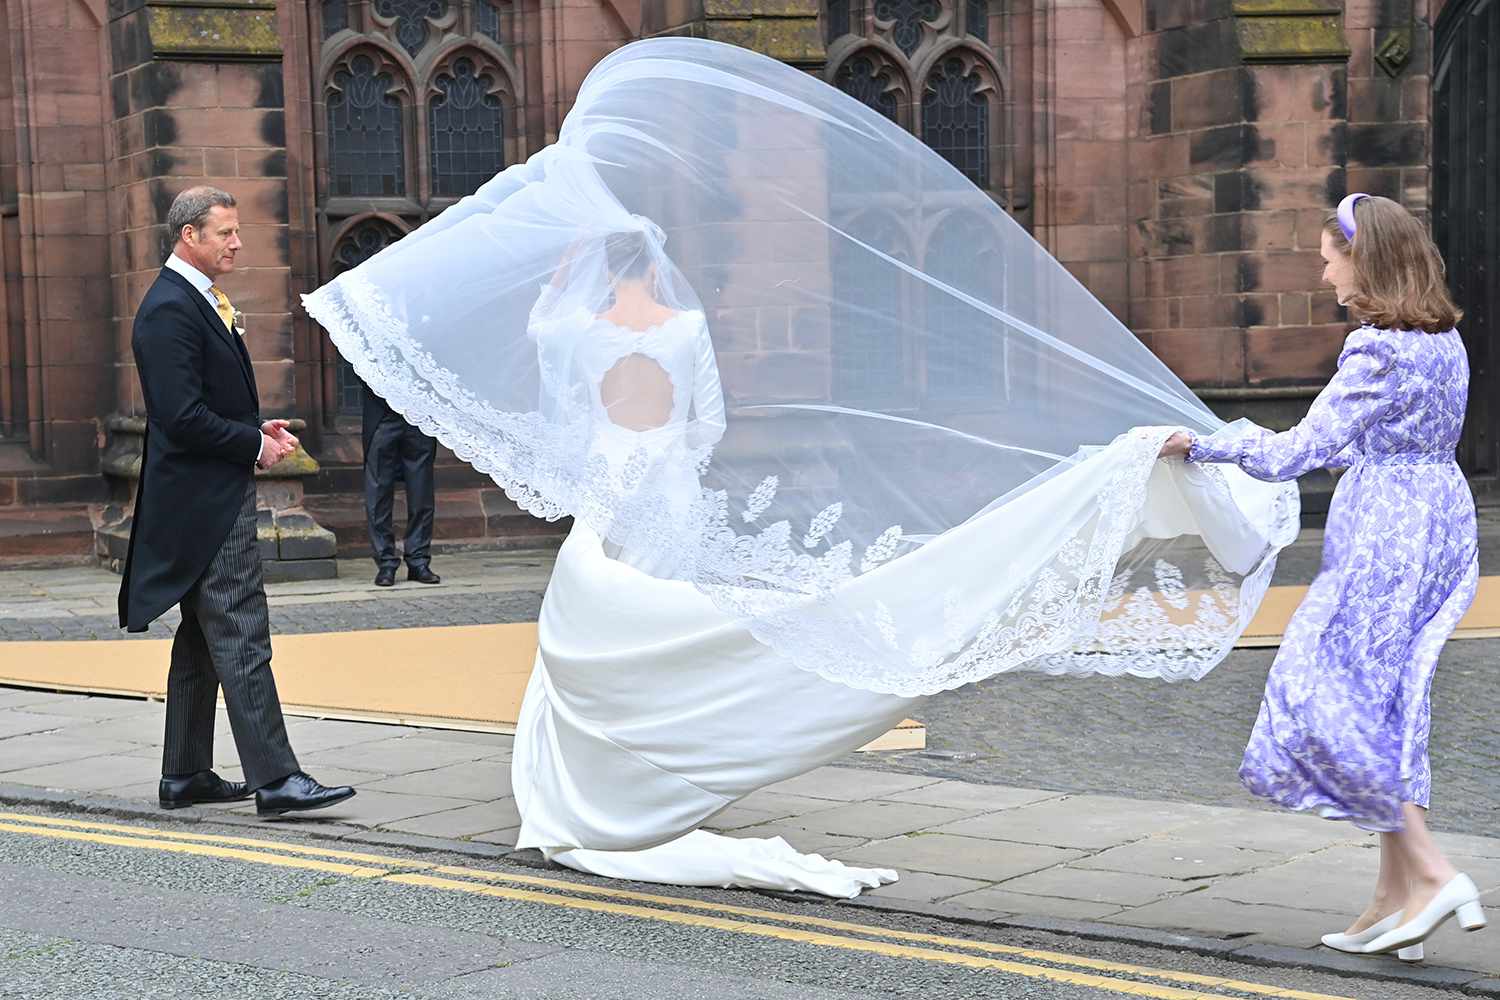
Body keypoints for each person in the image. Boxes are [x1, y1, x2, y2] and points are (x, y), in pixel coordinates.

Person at [305, 38, 1297, 896]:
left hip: (615, 517)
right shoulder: (684, 320)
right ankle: (1106, 486)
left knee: (618, 647)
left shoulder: (572, 324)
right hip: (669, 503)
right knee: (741, 635)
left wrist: (564, 290)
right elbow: (703, 424)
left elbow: (559, 386)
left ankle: (588, 802)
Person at [1160, 193, 1487, 959]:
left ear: (1364, 259)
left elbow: (1297, 453)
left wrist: (1203, 444)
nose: (1322, 266)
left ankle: (1436, 874)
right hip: (1442, 515)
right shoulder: (1444, 342)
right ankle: (1395, 893)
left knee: (1325, 687)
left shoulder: (1376, 346)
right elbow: (1368, 435)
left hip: (1386, 529)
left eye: (1330, 254)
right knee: (1393, 695)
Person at [119, 186, 356, 818]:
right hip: (206, 505)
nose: (237, 243)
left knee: (202, 636)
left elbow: (206, 405)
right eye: (225, 232)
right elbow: (180, 417)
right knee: (243, 631)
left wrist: (261, 429)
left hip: (207, 495)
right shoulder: (170, 308)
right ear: (189, 235)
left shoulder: (194, 301)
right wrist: (250, 444)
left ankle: (185, 772)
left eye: (237, 231)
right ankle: (277, 780)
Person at [362, 385, 441, 588]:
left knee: (421, 492)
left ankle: (419, 561)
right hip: (381, 413)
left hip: (419, 414)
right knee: (378, 494)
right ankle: (386, 563)